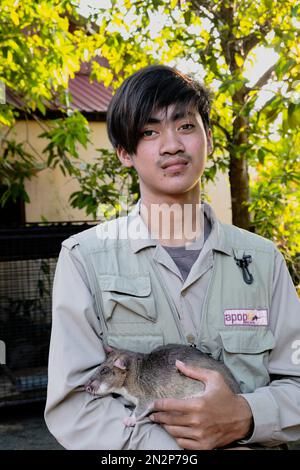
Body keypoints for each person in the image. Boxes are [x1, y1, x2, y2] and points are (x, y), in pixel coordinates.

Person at [45, 65, 300, 450]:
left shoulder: (262, 260)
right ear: (125, 153)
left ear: (209, 139)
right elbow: (75, 404)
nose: (171, 145)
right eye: (149, 132)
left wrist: (247, 416)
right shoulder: (84, 259)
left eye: (185, 126)